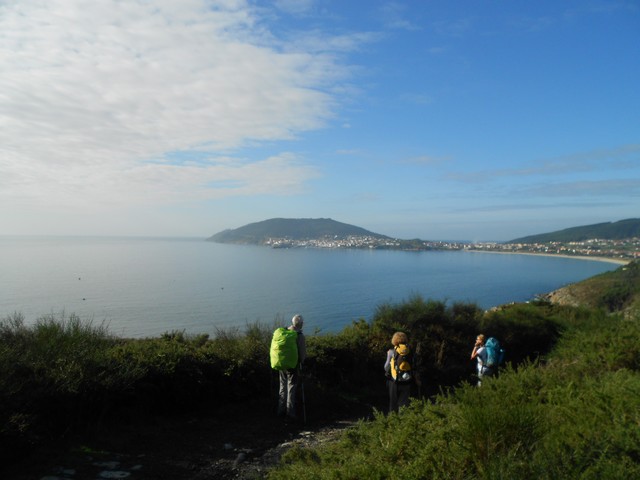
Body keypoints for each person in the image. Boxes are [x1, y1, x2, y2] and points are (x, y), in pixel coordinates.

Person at [278, 314, 306, 421]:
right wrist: (302, 361)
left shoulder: (285, 332)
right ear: (301, 324)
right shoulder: (299, 335)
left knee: (282, 386)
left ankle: (280, 410)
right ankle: (290, 413)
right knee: (291, 387)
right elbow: (302, 354)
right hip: (293, 365)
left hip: (282, 363)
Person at [384, 331, 412, 413]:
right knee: (404, 404)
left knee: (393, 404)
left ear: (394, 340)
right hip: (407, 381)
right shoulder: (409, 352)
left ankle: (393, 422)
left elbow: (386, 368)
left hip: (394, 382)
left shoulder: (391, 352)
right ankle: (403, 422)